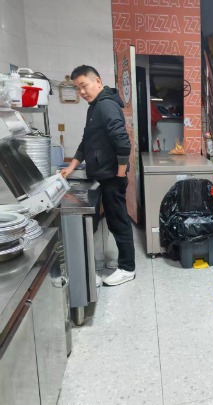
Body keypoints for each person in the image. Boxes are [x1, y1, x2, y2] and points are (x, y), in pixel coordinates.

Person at [61, 65, 135, 286]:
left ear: (98, 82)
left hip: (112, 177)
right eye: (77, 88)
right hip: (102, 175)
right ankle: (106, 266)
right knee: (107, 221)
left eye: (84, 86)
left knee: (118, 221)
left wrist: (120, 175)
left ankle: (127, 269)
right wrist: (71, 166)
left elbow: (123, 142)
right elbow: (86, 141)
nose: (82, 92)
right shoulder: (94, 107)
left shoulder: (106, 106)